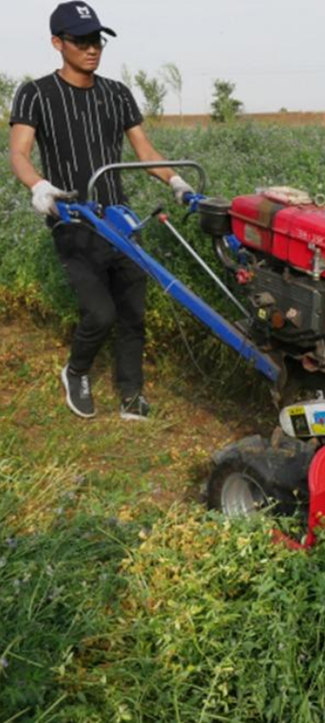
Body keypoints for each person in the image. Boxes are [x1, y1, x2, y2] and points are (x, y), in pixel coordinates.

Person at [7, 2, 194, 421]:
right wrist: (38, 185)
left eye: (97, 40)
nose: (92, 49)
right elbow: (18, 153)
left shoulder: (117, 93)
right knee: (100, 312)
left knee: (132, 314)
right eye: (81, 40)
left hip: (121, 220)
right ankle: (76, 371)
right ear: (58, 43)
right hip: (74, 221)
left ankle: (131, 393)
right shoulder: (35, 93)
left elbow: (143, 151)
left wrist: (178, 182)